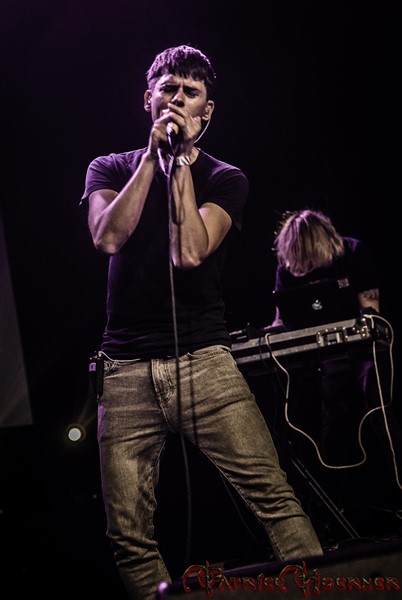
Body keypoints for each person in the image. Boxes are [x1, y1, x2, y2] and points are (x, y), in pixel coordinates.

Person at [80, 46, 323, 600]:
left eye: (190, 93)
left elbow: (188, 251)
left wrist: (182, 165)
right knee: (128, 535)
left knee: (275, 500)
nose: (177, 100)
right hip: (124, 373)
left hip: (205, 363)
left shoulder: (225, 178)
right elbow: (108, 237)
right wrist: (152, 159)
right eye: (168, 89)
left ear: (205, 112)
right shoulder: (109, 168)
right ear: (148, 98)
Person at [269, 208, 402, 532]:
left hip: (365, 355)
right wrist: (264, 334)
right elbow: (281, 320)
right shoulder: (288, 265)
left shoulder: (353, 251)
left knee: (380, 415)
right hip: (327, 363)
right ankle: (340, 519)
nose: (305, 267)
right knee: (330, 439)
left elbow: (371, 312)